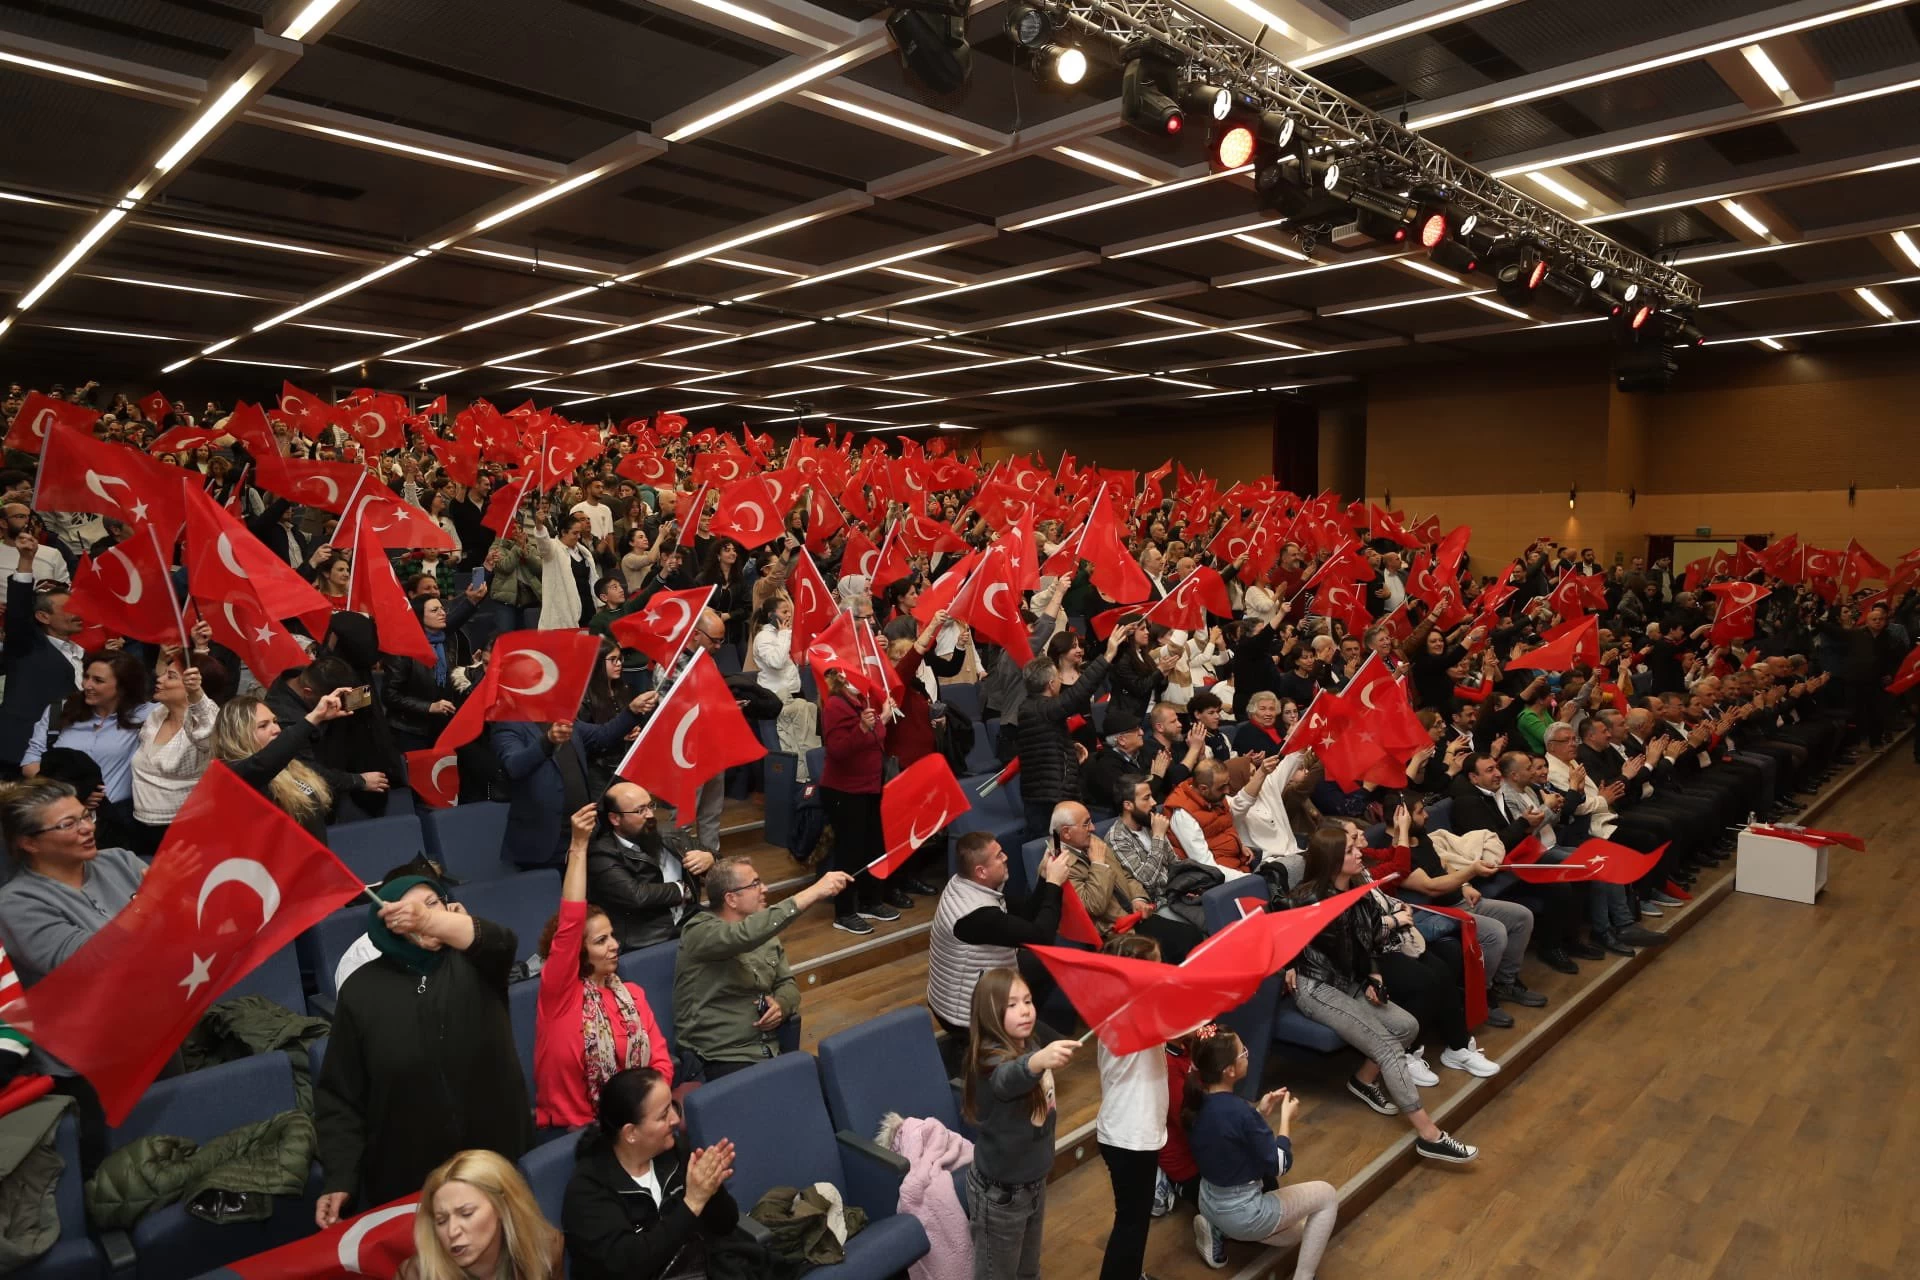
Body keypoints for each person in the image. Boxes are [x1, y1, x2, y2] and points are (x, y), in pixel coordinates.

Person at [315, 870, 533, 1223]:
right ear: (388, 923)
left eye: (432, 903)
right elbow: (341, 1098)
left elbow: (502, 941)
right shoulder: (359, 992)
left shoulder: (478, 963)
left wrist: (431, 921)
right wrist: (340, 1177)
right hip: (409, 1176)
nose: (422, 915)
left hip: (498, 1158)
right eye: (408, 910)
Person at [1283, 825, 1477, 1163]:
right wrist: (1291, 961)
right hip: (1318, 987)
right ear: (1331, 861)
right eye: (1348, 851)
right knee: (1388, 1047)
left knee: (1407, 1027)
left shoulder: (1357, 888)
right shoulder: (1313, 899)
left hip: (1350, 978)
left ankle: (1362, 1081)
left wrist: (1373, 973)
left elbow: (1368, 944)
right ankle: (1429, 1134)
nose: (1359, 852)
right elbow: (1334, 940)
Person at [535, 804, 674, 1136]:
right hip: (575, 1132)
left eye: (612, 936)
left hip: (635, 1125)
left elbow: (661, 1064)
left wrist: (644, 1113)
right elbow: (570, 920)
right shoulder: (560, 994)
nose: (614, 945)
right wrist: (579, 847)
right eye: (601, 940)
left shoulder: (632, 995)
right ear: (579, 951)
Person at [672, 858, 853, 1079]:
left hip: (768, 1050)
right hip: (721, 1058)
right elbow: (741, 937)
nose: (764, 889)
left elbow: (787, 984)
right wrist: (814, 892)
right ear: (731, 898)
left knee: (837, 1077)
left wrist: (782, 1005)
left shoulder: (766, 936)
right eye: (755, 884)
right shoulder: (699, 932)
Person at [1182, 1027, 1338, 1276]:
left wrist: (1259, 1111)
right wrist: (1287, 1120)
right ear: (1229, 1071)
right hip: (1245, 1214)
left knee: (1297, 1233)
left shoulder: (1196, 1102)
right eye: (1243, 1052)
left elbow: (1227, 1135)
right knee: (1327, 1196)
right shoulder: (1240, 1112)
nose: (1247, 1054)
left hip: (1210, 1202)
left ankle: (1218, 1229)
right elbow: (1279, 1164)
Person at [562, 1067, 741, 1280]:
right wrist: (692, 1203)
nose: (675, 1119)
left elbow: (726, 1224)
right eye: (664, 1114)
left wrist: (712, 1187)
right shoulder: (588, 1191)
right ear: (631, 1133)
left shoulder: (676, 1153)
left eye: (672, 1106)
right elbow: (629, 1266)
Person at [962, 967, 1078, 1280]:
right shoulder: (989, 1060)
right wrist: (1038, 1062)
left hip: (1034, 1182)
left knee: (1029, 1271)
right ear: (990, 1013)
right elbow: (1007, 1079)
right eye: (1011, 1005)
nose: (1025, 1010)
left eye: (1027, 1000)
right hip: (1001, 1195)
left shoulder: (1029, 1043)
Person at [926, 831, 1069, 1042]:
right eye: (999, 855)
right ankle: (999, 1041)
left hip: (967, 992)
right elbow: (1041, 938)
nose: (1006, 857)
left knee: (1048, 962)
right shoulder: (976, 916)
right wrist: (1054, 885)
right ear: (981, 871)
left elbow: (1026, 918)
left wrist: (1044, 879)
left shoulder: (964, 883)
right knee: (1056, 1050)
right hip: (966, 1016)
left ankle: (1024, 1021)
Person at [0, 778, 143, 987]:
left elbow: (189, 918)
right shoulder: (15, 903)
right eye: (68, 824)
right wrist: (148, 904)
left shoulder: (120, 860)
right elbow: (84, 965)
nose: (87, 828)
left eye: (86, 816)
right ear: (29, 843)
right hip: (100, 1012)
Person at [1094, 933, 1169, 1280]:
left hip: (1134, 1132)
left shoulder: (1130, 1009)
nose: (1163, 969)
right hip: (1129, 1137)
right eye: (1156, 964)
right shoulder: (1132, 1016)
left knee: (1135, 1219)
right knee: (1131, 1221)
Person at [23, 650, 152, 851]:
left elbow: (190, 713)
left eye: (98, 680)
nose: (86, 685)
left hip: (115, 823)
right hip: (58, 818)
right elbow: (30, 762)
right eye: (86, 677)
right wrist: (73, 792)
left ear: (124, 686)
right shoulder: (60, 711)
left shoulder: (147, 715)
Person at [817, 664, 906, 934]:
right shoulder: (835, 705)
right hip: (844, 790)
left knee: (873, 848)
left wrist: (883, 718)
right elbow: (837, 750)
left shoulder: (861, 701)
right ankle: (844, 912)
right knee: (849, 852)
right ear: (842, 679)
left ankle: (870, 901)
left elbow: (878, 736)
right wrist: (863, 728)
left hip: (868, 787)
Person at [1015, 624, 1121, 839]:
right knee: (1053, 848)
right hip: (1049, 796)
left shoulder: (1033, 707)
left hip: (1048, 791)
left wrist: (1068, 748)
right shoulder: (1041, 707)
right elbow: (1077, 695)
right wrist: (1108, 655)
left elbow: (1043, 743)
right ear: (1051, 683)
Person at [586, 780, 715, 951]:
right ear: (615, 818)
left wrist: (711, 859)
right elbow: (635, 895)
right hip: (645, 937)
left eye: (650, 806)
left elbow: (725, 868)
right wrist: (681, 890)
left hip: (690, 920)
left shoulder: (671, 834)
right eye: (640, 810)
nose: (649, 815)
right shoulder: (601, 853)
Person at [401, 1149, 562, 1280]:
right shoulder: (417, 1275)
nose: (452, 1231)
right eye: (441, 1221)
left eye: (466, 1213)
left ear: (502, 1206)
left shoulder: (545, 1250)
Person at [212, 692, 346, 841]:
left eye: (275, 721)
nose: (276, 729)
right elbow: (263, 764)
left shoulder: (288, 765)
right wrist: (314, 717)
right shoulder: (236, 774)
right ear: (238, 735)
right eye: (263, 726)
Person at [126, 650, 217, 855]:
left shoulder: (203, 723)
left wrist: (197, 696)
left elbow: (209, 730)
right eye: (164, 673)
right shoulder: (157, 715)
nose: (160, 679)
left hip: (185, 829)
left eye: (171, 676)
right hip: (141, 825)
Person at [1, 577, 83, 773]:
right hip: (16, 753)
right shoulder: (27, 647)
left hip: (59, 752)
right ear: (43, 617)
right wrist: (26, 562)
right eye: (69, 608)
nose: (78, 613)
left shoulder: (83, 655)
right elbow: (18, 613)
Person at [749, 595, 800, 703]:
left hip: (793, 690)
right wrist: (784, 634)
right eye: (785, 612)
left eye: (789, 611)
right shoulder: (763, 637)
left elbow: (799, 658)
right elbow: (777, 662)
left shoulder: (784, 633)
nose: (790, 615)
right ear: (771, 616)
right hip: (775, 694)